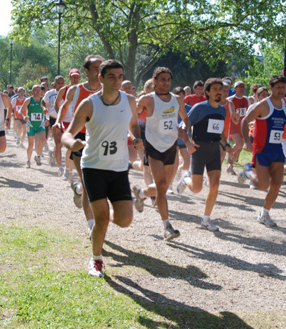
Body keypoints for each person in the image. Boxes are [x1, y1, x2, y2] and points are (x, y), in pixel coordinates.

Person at [61, 59, 142, 278]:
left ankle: (102, 212)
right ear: (100, 78)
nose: (117, 81)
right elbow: (66, 134)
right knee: (101, 219)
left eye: (120, 76)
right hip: (94, 166)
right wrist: (72, 144)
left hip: (118, 168)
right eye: (111, 77)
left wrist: (137, 138)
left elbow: (133, 124)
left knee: (125, 220)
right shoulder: (89, 104)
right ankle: (96, 260)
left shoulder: (130, 101)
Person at [132, 67, 192, 240]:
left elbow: (186, 119)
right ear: (155, 81)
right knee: (161, 186)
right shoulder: (147, 100)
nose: (166, 82)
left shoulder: (177, 100)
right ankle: (167, 226)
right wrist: (137, 136)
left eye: (168, 79)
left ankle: (141, 193)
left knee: (164, 186)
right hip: (153, 147)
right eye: (162, 79)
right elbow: (133, 117)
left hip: (171, 147)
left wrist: (184, 128)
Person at [240, 75, 286, 227]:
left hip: (277, 150)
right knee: (262, 185)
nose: (281, 91)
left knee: (276, 184)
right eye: (278, 88)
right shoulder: (263, 105)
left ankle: (264, 213)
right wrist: (247, 142)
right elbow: (244, 121)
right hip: (262, 149)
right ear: (271, 88)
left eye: (283, 88)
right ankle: (248, 171)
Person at [176, 78, 234, 231]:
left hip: (215, 150)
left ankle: (206, 219)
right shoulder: (199, 108)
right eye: (215, 89)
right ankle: (185, 178)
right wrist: (188, 141)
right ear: (207, 92)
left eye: (220, 89)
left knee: (215, 186)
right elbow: (186, 123)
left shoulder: (222, 110)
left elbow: (219, 132)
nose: (219, 92)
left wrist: (226, 145)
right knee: (196, 189)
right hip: (199, 150)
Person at [55, 56, 103, 233]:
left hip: (100, 137)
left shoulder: (108, 90)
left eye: (101, 67)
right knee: (87, 182)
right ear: (87, 71)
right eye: (96, 68)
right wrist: (58, 121)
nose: (99, 71)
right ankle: (91, 225)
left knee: (99, 182)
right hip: (80, 137)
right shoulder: (75, 90)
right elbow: (65, 106)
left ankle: (77, 189)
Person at [20, 85, 48, 168]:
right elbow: (20, 110)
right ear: (32, 91)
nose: (37, 92)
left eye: (39, 91)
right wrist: (24, 116)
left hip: (40, 124)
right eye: (35, 90)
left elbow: (45, 109)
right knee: (31, 144)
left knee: (43, 140)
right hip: (30, 124)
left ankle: (38, 155)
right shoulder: (28, 100)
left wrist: (46, 116)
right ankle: (28, 160)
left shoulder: (43, 100)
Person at [225, 80, 248, 174]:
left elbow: (248, 113)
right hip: (233, 126)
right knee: (239, 144)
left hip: (243, 126)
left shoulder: (246, 99)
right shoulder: (230, 100)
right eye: (240, 86)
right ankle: (228, 151)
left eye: (243, 86)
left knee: (239, 149)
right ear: (235, 88)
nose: (242, 88)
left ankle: (230, 166)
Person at [42, 76, 64, 167]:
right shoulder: (49, 93)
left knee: (61, 143)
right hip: (53, 118)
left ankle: (53, 154)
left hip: (65, 119)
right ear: (54, 83)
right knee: (58, 142)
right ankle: (60, 167)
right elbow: (43, 101)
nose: (60, 84)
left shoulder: (67, 92)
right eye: (58, 82)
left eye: (62, 82)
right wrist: (44, 108)